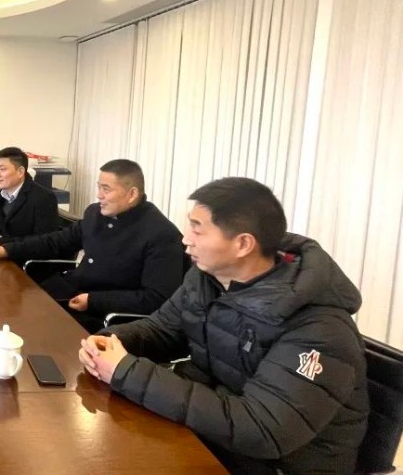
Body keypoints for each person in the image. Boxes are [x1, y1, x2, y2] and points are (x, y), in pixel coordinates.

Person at [78, 177, 369, 474]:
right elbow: (163, 329)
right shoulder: (208, 278)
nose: (185, 239)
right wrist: (109, 342)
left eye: (197, 229)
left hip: (278, 464)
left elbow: (262, 429)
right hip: (210, 435)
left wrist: (127, 371)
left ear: (243, 244)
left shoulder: (320, 328)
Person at [0, 159, 185, 333]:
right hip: (72, 290)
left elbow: (156, 299)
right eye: (99, 187)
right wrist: (6, 248)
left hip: (106, 316)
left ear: (132, 194)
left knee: (34, 332)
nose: (99, 195)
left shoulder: (162, 234)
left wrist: (94, 300)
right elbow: (56, 241)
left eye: (106, 189)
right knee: (9, 310)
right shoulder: (95, 213)